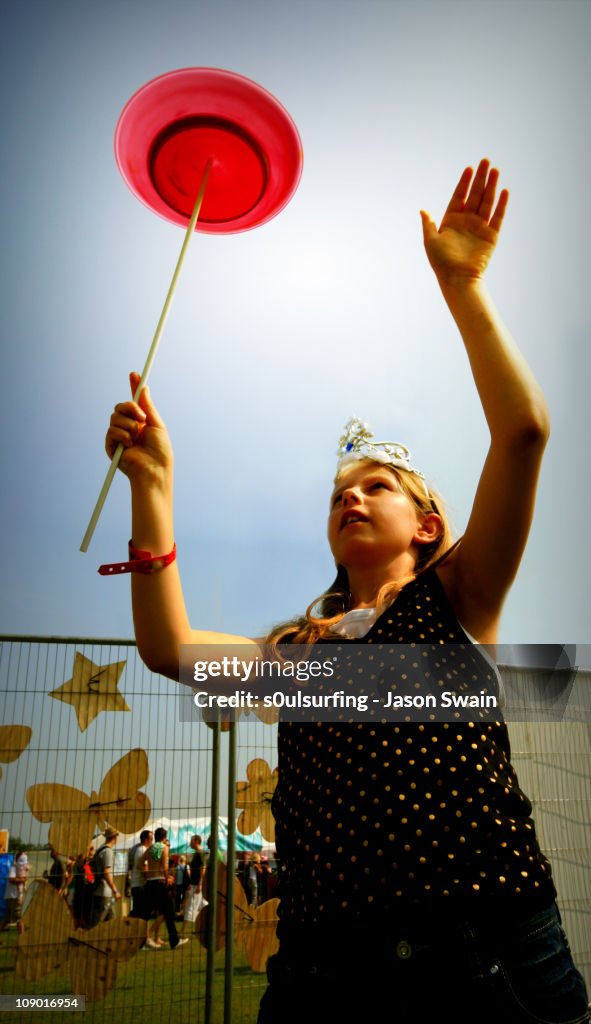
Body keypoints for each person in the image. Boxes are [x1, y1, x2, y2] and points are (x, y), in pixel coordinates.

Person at [104, 159, 590, 1023]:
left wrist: (463, 286)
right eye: (338, 493)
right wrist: (152, 485)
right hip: (324, 971)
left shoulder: (459, 599)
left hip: (488, 954)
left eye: (376, 486)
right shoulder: (301, 655)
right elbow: (168, 649)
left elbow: (522, 431)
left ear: (428, 524)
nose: (351, 497)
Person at [139, 827, 187, 950]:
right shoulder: (164, 848)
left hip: (149, 883)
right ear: (165, 837)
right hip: (160, 883)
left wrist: (148, 874)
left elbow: (139, 864)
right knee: (169, 913)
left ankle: (140, 941)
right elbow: (165, 867)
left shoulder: (150, 848)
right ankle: (174, 940)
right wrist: (167, 879)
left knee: (145, 914)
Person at [89, 826, 122, 927]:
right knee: (97, 924)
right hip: (103, 892)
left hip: (99, 890)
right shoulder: (108, 851)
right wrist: (115, 890)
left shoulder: (100, 850)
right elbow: (107, 873)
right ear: (115, 837)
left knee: (110, 922)